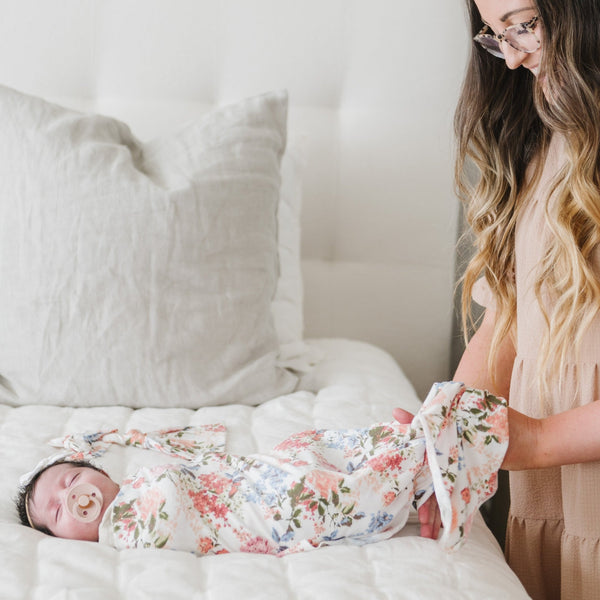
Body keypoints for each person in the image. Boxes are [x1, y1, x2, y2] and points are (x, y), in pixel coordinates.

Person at [442, 1, 600, 598]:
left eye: (525, 24)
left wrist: (536, 441)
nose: (509, 57)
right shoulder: (544, 140)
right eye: (495, 33)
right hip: (552, 505)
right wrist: (446, 434)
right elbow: (509, 320)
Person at [15, 382, 507, 556]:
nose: (70, 496)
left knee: (316, 445)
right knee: (330, 499)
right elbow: (169, 514)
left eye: (71, 478)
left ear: (98, 471)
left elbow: (201, 477)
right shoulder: (121, 533)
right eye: (56, 512)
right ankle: (424, 448)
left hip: (254, 474)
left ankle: (409, 444)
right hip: (262, 511)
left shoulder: (141, 477)